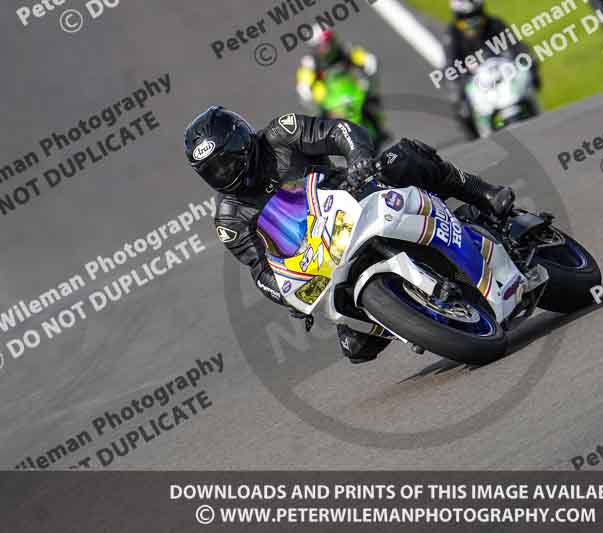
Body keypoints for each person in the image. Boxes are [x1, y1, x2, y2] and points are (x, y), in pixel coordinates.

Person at [184, 107, 514, 363]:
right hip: (323, 256)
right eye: (214, 171)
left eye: (228, 160)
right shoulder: (229, 218)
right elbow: (260, 270)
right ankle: (423, 318)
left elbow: (339, 131)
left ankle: (481, 191)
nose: (226, 173)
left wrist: (357, 157)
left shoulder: (281, 133)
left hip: (356, 194)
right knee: (356, 347)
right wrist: (286, 295)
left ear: (242, 140)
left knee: (402, 158)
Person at [444, 0, 539, 138]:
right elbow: (450, 65)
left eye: (476, 14)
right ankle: (475, 139)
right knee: (460, 105)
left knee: (529, 76)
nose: (472, 21)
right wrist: (457, 83)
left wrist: (527, 58)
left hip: (504, 71)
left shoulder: (495, 23)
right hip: (476, 80)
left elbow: (516, 45)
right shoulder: (452, 34)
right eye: (465, 17)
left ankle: (535, 111)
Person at [296, 30, 388, 145]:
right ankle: (318, 141)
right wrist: (306, 89)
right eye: (324, 44)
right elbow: (304, 79)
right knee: (316, 117)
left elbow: (361, 57)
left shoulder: (344, 50)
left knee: (370, 101)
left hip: (349, 87)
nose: (327, 47)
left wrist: (368, 62)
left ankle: (378, 128)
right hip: (327, 95)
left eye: (329, 42)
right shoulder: (311, 62)